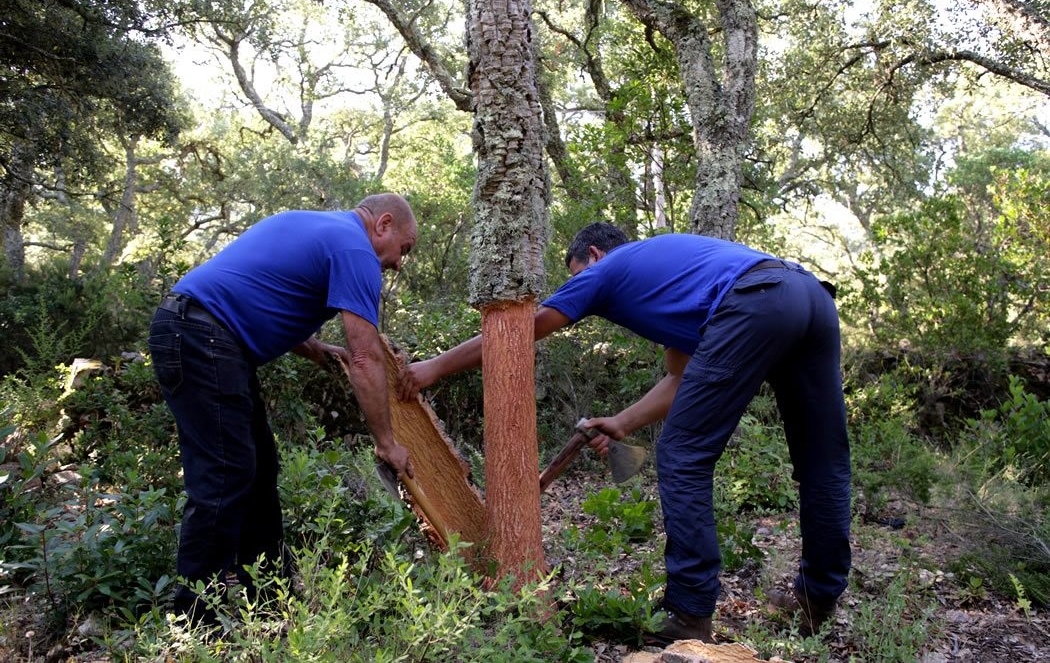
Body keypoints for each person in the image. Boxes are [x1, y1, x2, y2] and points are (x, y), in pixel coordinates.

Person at [397, 222, 850, 643]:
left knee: (683, 455)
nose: (576, 288)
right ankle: (816, 600)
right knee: (823, 464)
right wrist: (621, 423)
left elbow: (522, 330)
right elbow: (679, 379)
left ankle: (689, 613)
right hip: (810, 297)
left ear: (593, 255)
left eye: (575, 276)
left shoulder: (607, 268)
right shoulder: (676, 278)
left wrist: (434, 366)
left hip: (758, 301)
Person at [148, 193, 418, 625]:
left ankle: (270, 603)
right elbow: (365, 357)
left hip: (199, 334)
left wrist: (313, 349)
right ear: (383, 224)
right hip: (202, 338)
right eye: (404, 249)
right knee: (226, 474)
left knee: (256, 471)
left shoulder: (318, 226)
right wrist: (387, 443)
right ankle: (194, 622)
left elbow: (259, 294)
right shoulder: (355, 249)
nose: (399, 263)